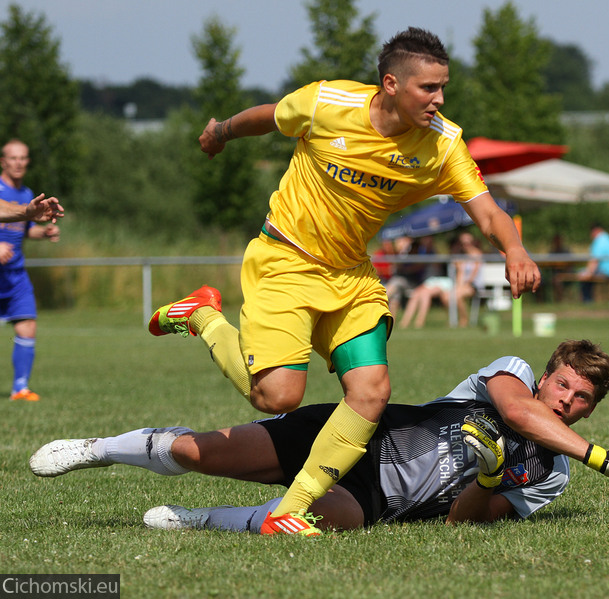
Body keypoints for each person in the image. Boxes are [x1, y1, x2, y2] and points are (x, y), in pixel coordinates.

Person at [145, 28, 541, 535]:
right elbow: (270, 116)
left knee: (372, 391)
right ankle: (200, 315)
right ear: (391, 84)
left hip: (351, 276)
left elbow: (487, 211)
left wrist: (514, 249)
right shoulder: (327, 101)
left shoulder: (442, 145)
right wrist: (221, 131)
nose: (439, 99)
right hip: (285, 260)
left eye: (444, 87)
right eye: (428, 88)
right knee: (277, 399)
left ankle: (292, 508)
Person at [29, 339, 609, 533]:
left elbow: (463, 524)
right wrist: (599, 457)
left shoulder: (549, 478)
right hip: (355, 433)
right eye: (564, 384)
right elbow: (520, 411)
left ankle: (197, 522)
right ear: (549, 373)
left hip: (377, 500)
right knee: (203, 451)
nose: (566, 398)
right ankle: (96, 449)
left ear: (589, 408)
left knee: (322, 521)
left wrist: (492, 476)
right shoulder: (515, 377)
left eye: (581, 398)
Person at [0, 139, 65, 402]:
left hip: (15, 274)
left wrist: (44, 231)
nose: (18, 162)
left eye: (23, 158)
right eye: (12, 158)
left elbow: (24, 230)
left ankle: (20, 389)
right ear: (3, 161)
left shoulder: (27, 194)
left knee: (27, 325)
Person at [399, 231, 482, 328]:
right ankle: (452, 320)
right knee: (445, 296)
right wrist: (459, 284)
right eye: (463, 243)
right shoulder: (459, 255)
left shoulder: (476, 254)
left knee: (455, 296)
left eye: (468, 243)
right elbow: (460, 273)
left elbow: (474, 274)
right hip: (459, 284)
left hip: (473, 285)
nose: (465, 245)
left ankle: (464, 319)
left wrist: (463, 284)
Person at [577, 223, 609, 303]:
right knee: (585, 274)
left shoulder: (600, 240)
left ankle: (587, 301)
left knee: (583, 275)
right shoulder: (607, 238)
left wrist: (588, 273)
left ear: (595, 231)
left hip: (607, 271)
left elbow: (594, 261)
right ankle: (588, 300)